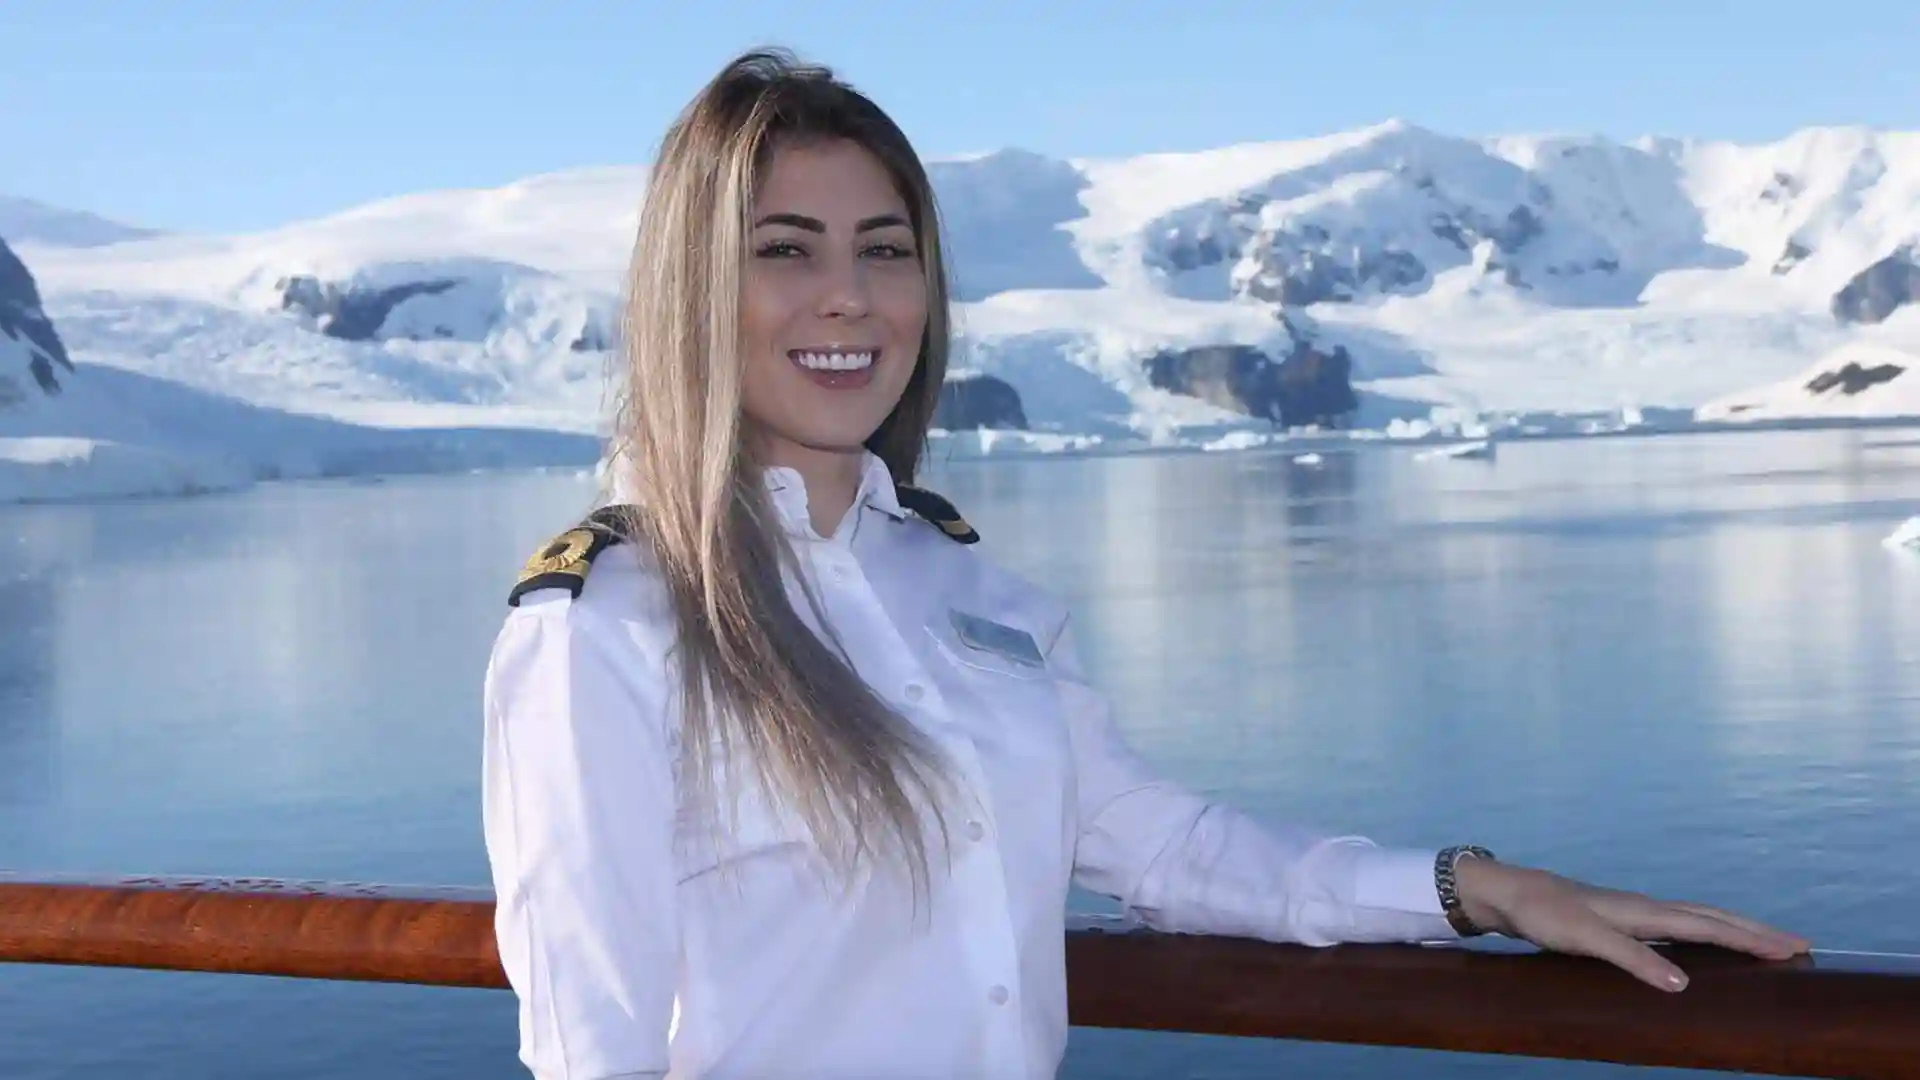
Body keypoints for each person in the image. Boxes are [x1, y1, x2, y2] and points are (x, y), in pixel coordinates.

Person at [479, 47, 1809, 1080]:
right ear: (690, 292)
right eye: (785, 253)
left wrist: (1481, 890)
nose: (850, 297)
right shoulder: (609, 623)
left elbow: (1172, 853)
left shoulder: (968, 599)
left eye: (886, 251)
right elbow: (585, 1042)